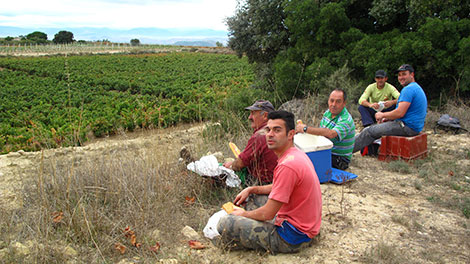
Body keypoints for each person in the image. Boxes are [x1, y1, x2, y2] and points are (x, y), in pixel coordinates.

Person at [216, 110, 322, 254]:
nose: (270, 134)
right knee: (254, 197)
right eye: (268, 129)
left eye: (277, 130)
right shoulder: (295, 155)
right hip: (306, 227)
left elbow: (267, 214)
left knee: (225, 223)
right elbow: (280, 186)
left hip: (292, 238)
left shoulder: (287, 165)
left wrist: (242, 214)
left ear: (290, 134)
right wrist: (252, 189)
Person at [353, 64, 427, 153]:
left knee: (369, 131)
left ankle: (343, 152)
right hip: (413, 127)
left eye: (404, 74)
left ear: (412, 75)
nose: (401, 77)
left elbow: (400, 113)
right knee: (372, 126)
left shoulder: (408, 90)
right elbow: (405, 112)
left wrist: (382, 114)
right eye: (399, 75)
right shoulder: (416, 87)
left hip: (406, 127)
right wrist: (387, 118)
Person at [295, 89, 355, 170]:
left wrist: (306, 129)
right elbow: (321, 133)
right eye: (332, 100)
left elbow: (331, 134)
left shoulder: (346, 119)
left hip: (339, 158)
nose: (333, 104)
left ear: (344, 103)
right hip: (326, 151)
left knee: (302, 162)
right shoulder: (328, 113)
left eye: (338, 102)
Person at [223, 100, 278, 185]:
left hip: (264, 183)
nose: (249, 117)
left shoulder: (260, 136)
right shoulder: (280, 131)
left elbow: (240, 164)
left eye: (253, 113)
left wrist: (230, 165)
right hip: (279, 180)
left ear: (265, 116)